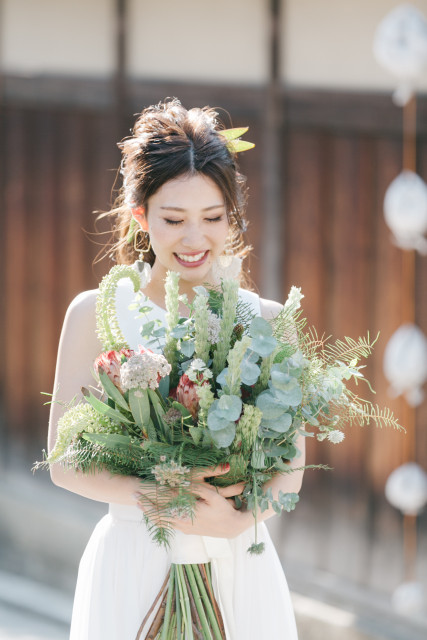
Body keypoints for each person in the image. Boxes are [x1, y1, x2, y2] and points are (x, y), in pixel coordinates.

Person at [48, 98, 305, 639]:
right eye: (173, 219)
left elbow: (293, 473)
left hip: (240, 566)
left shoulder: (268, 322)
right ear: (140, 215)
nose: (195, 239)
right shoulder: (96, 313)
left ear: (233, 216)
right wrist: (160, 492)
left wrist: (237, 520)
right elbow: (65, 463)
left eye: (213, 218)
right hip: (135, 560)